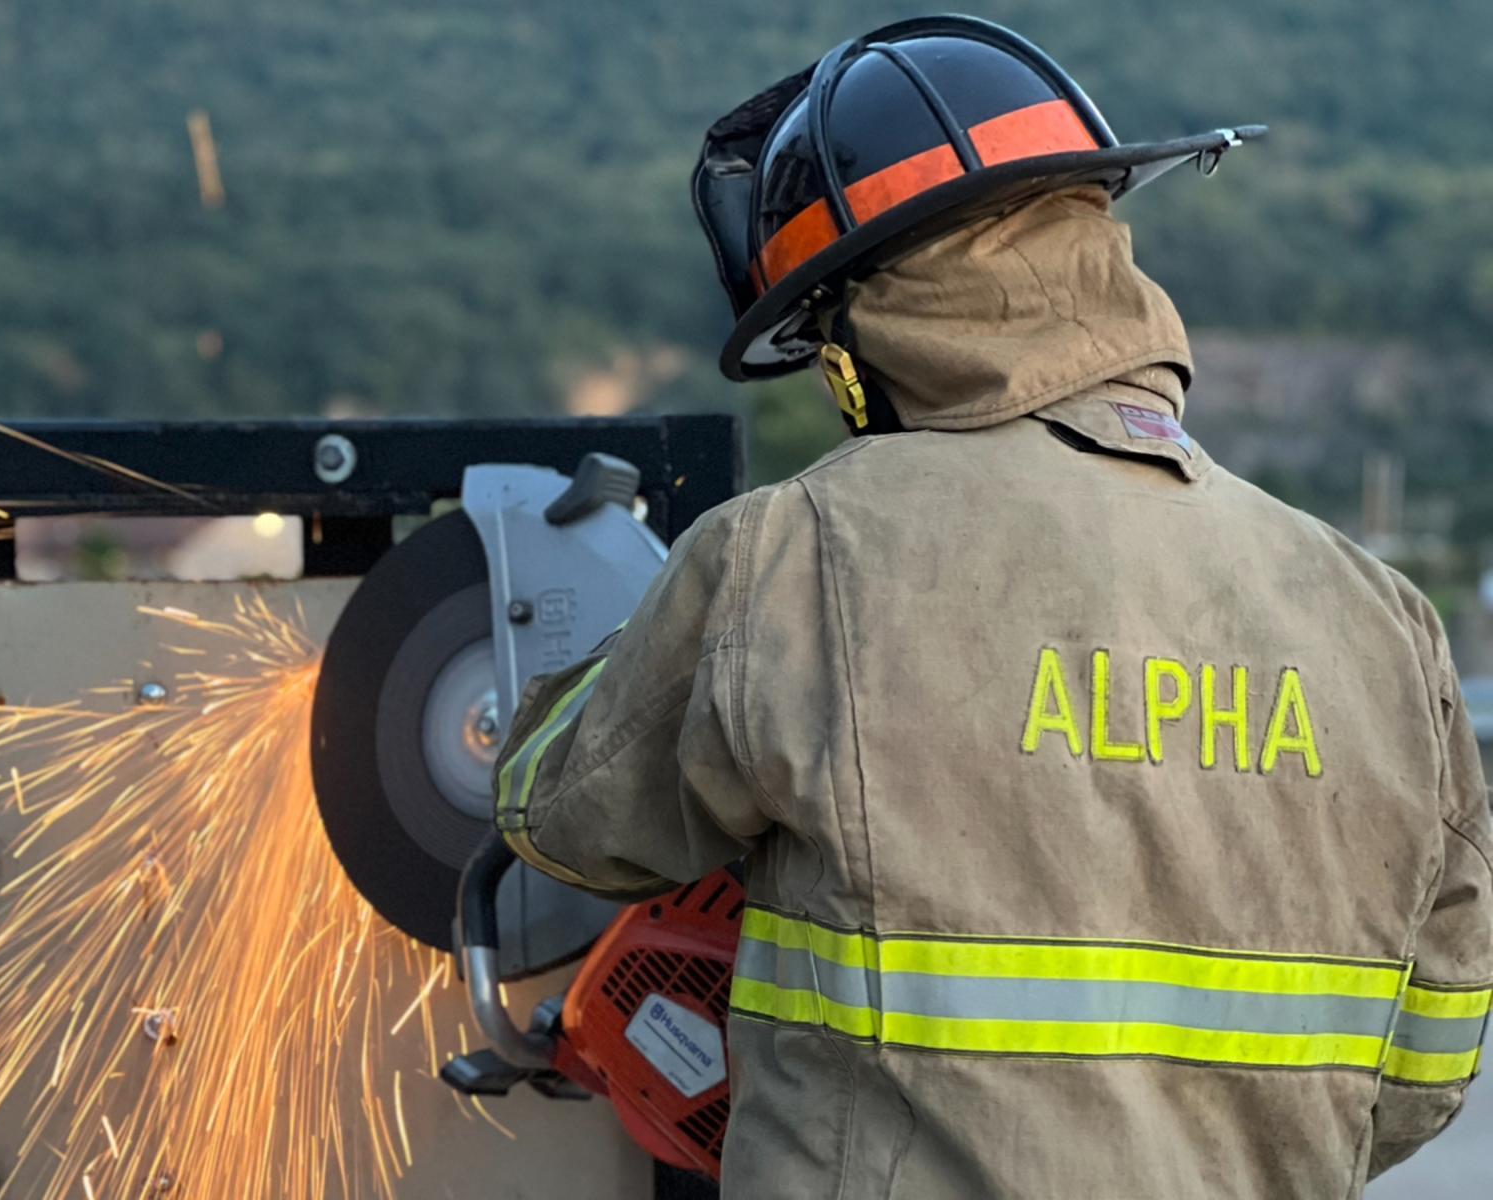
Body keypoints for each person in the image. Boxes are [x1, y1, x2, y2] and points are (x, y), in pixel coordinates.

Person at [494, 16, 1492, 1198]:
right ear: (1098, 244)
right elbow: (1426, 1066)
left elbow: (559, 811)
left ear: (857, 331)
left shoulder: (799, 552)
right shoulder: (1381, 621)